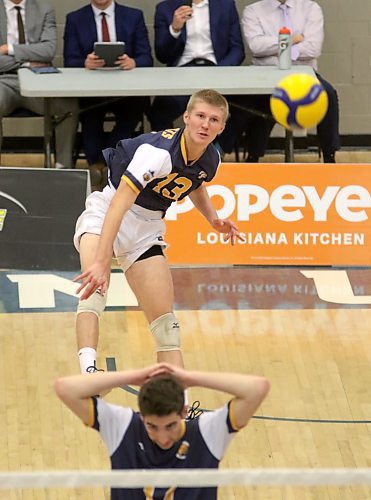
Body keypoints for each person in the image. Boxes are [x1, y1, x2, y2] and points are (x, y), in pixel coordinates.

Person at [73, 89, 241, 377]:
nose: (205, 125)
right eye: (200, 116)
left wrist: (213, 219)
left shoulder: (211, 159)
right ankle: (88, 372)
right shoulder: (157, 154)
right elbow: (118, 205)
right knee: (94, 291)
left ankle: (181, 404)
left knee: (166, 325)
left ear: (222, 127)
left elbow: (195, 183)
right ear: (186, 117)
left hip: (147, 228)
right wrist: (102, 261)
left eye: (214, 120)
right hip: (108, 211)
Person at [55, 362, 270, 499]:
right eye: (151, 426)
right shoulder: (122, 426)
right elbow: (64, 388)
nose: (162, 438)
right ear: (141, 415)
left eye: (170, 426)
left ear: (184, 412)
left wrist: (190, 378)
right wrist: (134, 376)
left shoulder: (207, 432)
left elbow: (257, 388)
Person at [218, 0, 341, 163]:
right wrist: (294, 40)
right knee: (249, 100)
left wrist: (276, 48)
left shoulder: (311, 8)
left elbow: (313, 48)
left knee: (328, 94)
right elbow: (256, 46)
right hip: (264, 71)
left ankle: (329, 155)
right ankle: (247, 154)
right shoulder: (253, 11)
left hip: (302, 72)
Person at [63, 0, 153, 186]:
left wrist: (134, 62)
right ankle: (104, 165)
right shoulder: (74, 18)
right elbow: (69, 60)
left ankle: (101, 163)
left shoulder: (133, 15)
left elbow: (146, 57)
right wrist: (84, 63)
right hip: (91, 88)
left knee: (133, 110)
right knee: (90, 115)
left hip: (128, 88)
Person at [0, 0, 78, 168]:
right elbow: (40, 53)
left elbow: (48, 51)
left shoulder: (44, 8)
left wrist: (8, 49)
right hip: (4, 79)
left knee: (67, 105)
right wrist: (27, 61)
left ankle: (63, 168)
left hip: (39, 79)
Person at [149, 0, 245, 131]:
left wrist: (222, 70)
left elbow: (237, 48)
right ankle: (169, 149)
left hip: (217, 70)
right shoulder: (165, 8)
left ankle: (217, 148)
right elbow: (162, 56)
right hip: (181, 72)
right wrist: (174, 29)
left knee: (242, 105)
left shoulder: (225, 5)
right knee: (159, 111)